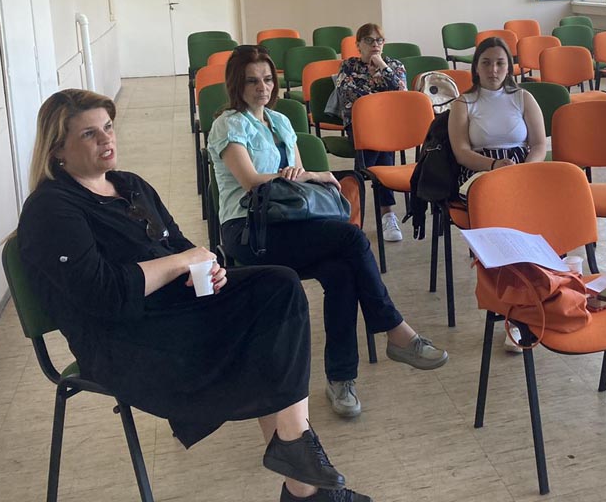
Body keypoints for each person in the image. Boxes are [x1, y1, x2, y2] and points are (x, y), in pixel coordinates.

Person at [17, 89, 370, 502]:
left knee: (279, 286)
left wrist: (210, 270)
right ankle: (304, 483)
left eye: (108, 127)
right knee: (263, 327)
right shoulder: (50, 209)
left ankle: (299, 464)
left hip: (175, 311)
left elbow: (181, 247)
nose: (106, 139)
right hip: (124, 340)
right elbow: (105, 295)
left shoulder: (129, 185)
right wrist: (180, 263)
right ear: (57, 149)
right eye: (89, 134)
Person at [209, 44, 447, 421]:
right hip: (248, 230)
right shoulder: (228, 124)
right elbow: (251, 182)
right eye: (252, 81)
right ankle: (396, 331)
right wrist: (314, 174)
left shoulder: (281, 121)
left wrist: (304, 175)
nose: (262, 87)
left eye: (267, 79)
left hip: (289, 223)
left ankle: (341, 380)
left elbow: (296, 185)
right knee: (352, 239)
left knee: (341, 272)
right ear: (236, 84)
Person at [448, 36, 547, 351]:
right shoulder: (464, 103)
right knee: (506, 221)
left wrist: (523, 171)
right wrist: (493, 166)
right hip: (480, 171)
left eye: (500, 63)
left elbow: (539, 145)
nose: (493, 70)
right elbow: (462, 152)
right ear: (476, 67)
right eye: (487, 63)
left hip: (521, 169)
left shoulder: (522, 97)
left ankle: (542, 294)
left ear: (510, 67)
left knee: (545, 213)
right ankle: (513, 314)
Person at [335, 23, 408, 243]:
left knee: (378, 147)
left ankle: (354, 210)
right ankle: (387, 213)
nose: (375, 44)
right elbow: (350, 97)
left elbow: (402, 94)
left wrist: (383, 67)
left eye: (379, 40)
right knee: (381, 148)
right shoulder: (349, 66)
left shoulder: (394, 65)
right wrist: (382, 98)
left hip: (387, 127)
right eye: (369, 40)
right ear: (358, 45)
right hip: (359, 125)